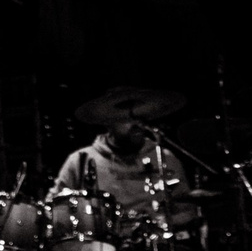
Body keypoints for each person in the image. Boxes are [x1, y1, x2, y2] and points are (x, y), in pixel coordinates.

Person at [55, 91, 195, 222]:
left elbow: (186, 208)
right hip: (103, 244)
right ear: (108, 123)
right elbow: (56, 207)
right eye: (126, 118)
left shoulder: (164, 157)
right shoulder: (81, 160)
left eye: (140, 117)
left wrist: (167, 222)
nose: (136, 124)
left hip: (157, 241)